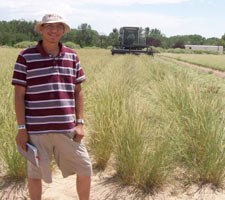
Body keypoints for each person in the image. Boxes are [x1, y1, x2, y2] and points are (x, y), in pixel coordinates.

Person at [12, 13, 92, 200]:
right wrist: (21, 128)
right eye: (49, 26)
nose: (53, 30)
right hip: (37, 130)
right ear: (41, 29)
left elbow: (78, 91)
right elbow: (18, 95)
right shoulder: (25, 56)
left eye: (58, 27)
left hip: (67, 129)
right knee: (35, 174)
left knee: (85, 168)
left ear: (63, 31)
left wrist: (79, 122)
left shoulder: (72, 56)